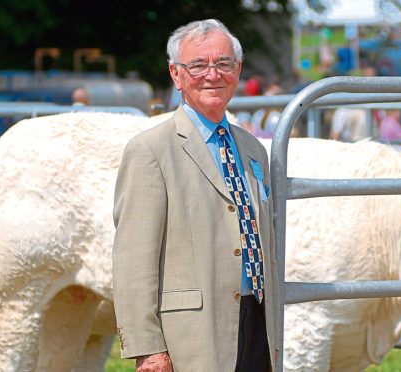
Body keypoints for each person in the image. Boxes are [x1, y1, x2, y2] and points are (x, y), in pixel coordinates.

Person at [112, 19, 279, 372]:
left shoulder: (252, 149)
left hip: (258, 324)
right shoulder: (151, 150)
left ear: (238, 70)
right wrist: (148, 348)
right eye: (198, 65)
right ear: (176, 74)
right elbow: (133, 259)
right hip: (191, 336)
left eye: (223, 64)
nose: (213, 75)